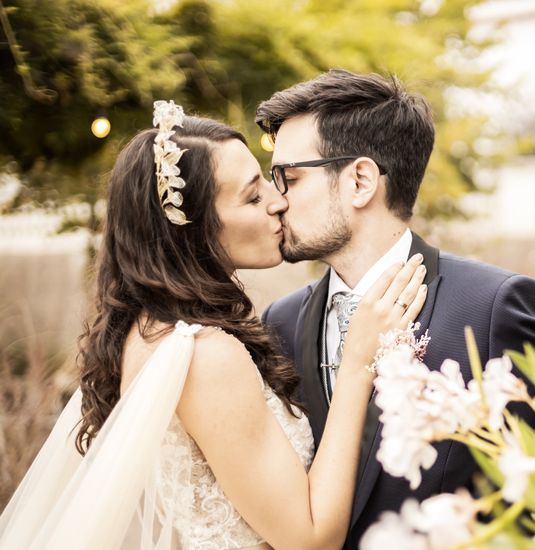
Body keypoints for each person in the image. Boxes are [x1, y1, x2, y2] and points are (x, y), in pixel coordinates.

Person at [0, 102, 427, 550]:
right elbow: (310, 539)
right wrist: (358, 361)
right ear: (195, 229)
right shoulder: (205, 353)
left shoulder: (148, 329)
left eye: (269, 180)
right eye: (252, 196)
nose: (278, 201)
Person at [256, 70, 535, 548]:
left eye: (289, 178)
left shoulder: (493, 308)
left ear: (360, 181)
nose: (275, 201)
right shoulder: (278, 322)